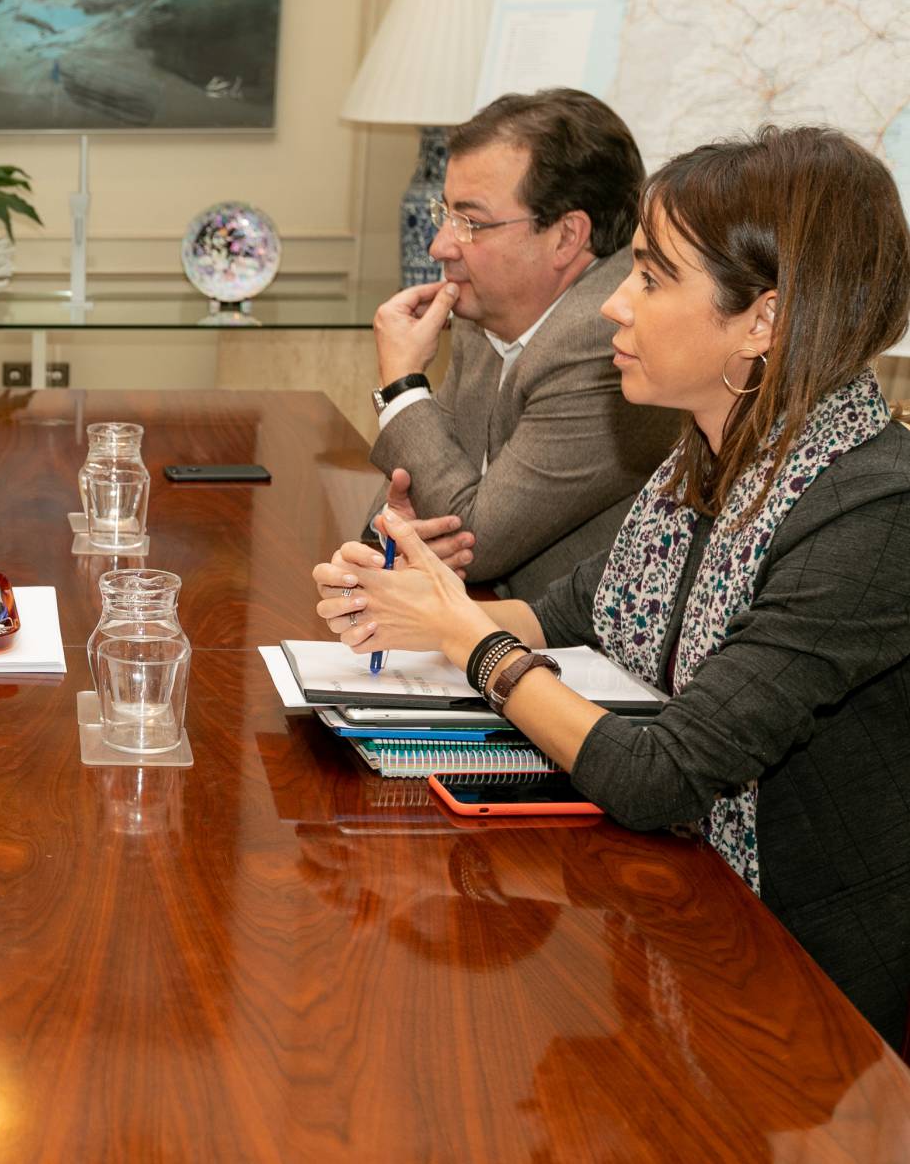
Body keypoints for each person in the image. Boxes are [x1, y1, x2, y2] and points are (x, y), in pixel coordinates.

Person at [311, 125, 910, 1047]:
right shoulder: (702, 469)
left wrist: (465, 638)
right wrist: (409, 597)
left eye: (652, 279)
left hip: (809, 994)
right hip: (679, 915)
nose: (611, 309)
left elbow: (661, 773)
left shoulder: (875, 508)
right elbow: (561, 619)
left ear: (765, 320)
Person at [368, 88, 678, 597]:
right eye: (443, 214)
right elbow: (415, 495)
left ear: (565, 236)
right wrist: (401, 532)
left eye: (469, 222)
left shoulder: (604, 337)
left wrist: (403, 386)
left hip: (583, 654)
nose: (440, 246)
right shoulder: (486, 313)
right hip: (490, 620)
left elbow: (474, 543)